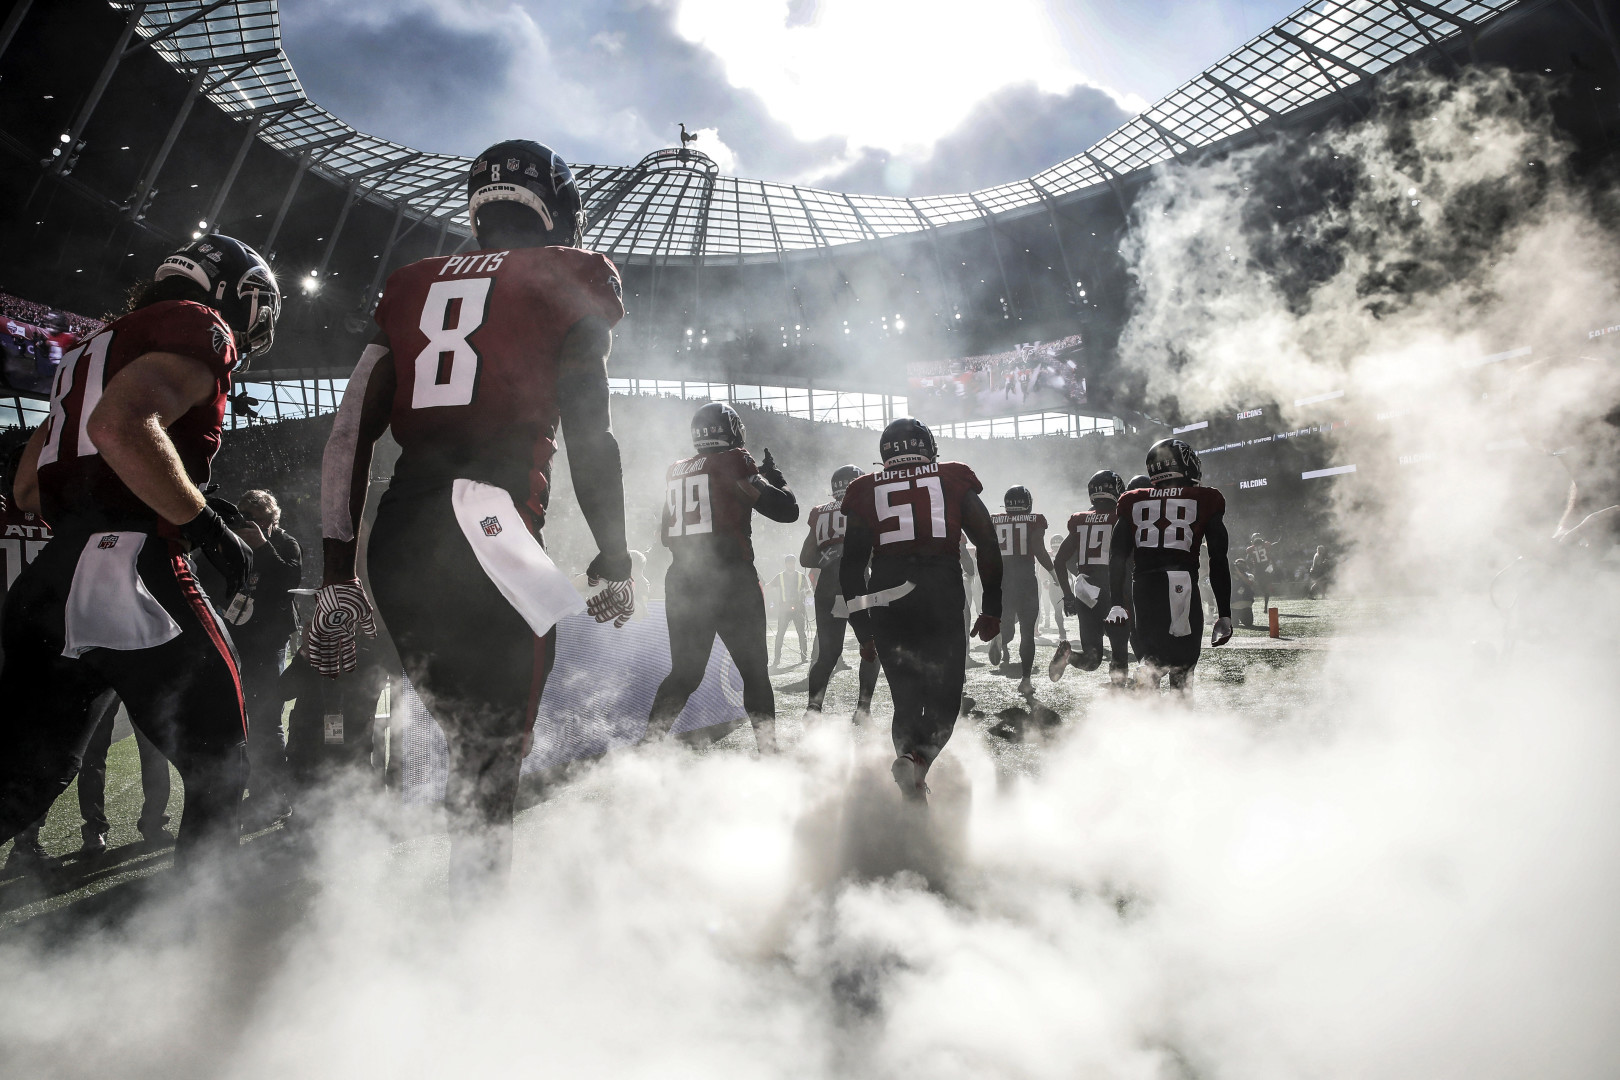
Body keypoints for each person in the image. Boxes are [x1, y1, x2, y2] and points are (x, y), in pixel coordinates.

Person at [308, 139, 636, 906]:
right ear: (556, 207)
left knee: (469, 748)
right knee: (494, 759)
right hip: (489, 528)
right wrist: (615, 557)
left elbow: (350, 431)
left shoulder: (411, 283)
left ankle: (462, 923)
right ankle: (474, 951)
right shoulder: (571, 274)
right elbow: (592, 433)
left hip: (399, 532)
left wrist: (336, 568)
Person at [0, 233, 280, 866]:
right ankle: (196, 948)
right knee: (221, 765)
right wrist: (203, 522)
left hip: (51, 578)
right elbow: (120, 426)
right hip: (129, 571)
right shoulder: (198, 323)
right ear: (233, 290)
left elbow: (25, 485)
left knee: (20, 784)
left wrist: (106, 511)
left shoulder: (91, 347)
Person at [839, 417, 1001, 802]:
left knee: (906, 699)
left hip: (886, 598)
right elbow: (989, 545)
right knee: (945, 700)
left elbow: (850, 568)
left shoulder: (864, 487)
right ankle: (919, 763)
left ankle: (906, 761)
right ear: (928, 448)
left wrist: (864, 631)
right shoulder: (953, 476)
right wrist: (992, 606)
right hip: (938, 592)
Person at [647, 402, 797, 752]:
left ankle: (645, 748)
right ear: (732, 429)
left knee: (684, 674)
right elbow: (787, 511)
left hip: (682, 578)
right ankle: (768, 749)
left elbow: (666, 533)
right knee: (754, 671)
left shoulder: (677, 470)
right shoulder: (734, 461)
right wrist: (776, 480)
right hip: (729, 578)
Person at [1106, 439, 1233, 692]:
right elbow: (1218, 558)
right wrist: (1224, 612)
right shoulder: (1205, 498)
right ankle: (1179, 722)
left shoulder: (1132, 500)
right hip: (1180, 583)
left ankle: (1150, 701)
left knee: (1153, 655)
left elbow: (1117, 555)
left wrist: (1116, 603)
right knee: (1183, 666)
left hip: (1142, 586)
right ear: (1186, 464)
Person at [228, 488, 301, 831]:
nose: (249, 524)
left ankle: (274, 797)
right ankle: (253, 792)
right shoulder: (235, 543)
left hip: (270, 641)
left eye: (257, 518)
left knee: (268, 720)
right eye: (245, 517)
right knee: (241, 721)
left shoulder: (286, 544)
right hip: (237, 640)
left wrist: (261, 546)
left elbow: (289, 580)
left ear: (272, 519)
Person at [798, 464, 878, 724]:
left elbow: (806, 557)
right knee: (870, 648)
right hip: (857, 588)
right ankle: (863, 709)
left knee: (828, 654)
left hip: (828, 590)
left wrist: (830, 555)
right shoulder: (866, 508)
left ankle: (813, 708)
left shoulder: (820, 512)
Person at [1054, 469, 1131, 686]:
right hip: (1113, 589)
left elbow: (1059, 561)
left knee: (1092, 658)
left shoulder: (1080, 521)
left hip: (1085, 589)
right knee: (1119, 651)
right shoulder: (1121, 519)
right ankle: (1119, 698)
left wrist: (1068, 595)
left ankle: (1068, 655)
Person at [988, 485, 1056, 695]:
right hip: (1025, 581)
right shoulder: (1034, 520)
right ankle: (1025, 680)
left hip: (1002, 581)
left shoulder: (995, 520)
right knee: (1027, 633)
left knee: (1006, 626)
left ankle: (999, 637)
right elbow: (1038, 548)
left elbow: (986, 548)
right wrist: (1054, 573)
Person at [768, 554, 808, 668]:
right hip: (784, 610)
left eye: (793, 562)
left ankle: (804, 656)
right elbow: (769, 587)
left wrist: (808, 593)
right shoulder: (780, 576)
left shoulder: (801, 576)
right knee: (780, 634)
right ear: (786, 564)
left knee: (801, 633)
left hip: (798, 609)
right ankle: (776, 659)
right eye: (789, 562)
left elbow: (807, 589)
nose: (791, 564)